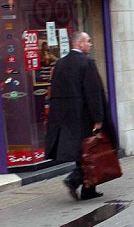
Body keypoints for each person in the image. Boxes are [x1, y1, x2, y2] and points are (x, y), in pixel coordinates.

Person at [45, 31, 115, 201]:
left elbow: (54, 92)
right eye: (88, 41)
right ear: (80, 44)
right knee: (90, 150)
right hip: (84, 116)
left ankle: (88, 189)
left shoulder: (60, 64)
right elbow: (93, 92)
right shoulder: (87, 63)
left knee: (82, 151)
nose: (90, 44)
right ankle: (74, 180)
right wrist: (98, 118)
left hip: (66, 117)